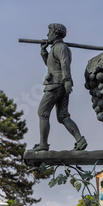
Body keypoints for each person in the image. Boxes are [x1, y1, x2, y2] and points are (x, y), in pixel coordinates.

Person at [32, 23, 87, 151]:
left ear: (56, 34)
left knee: (42, 112)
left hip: (56, 84)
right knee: (63, 116)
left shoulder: (60, 47)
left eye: (49, 32)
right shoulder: (56, 48)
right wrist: (43, 52)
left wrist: (67, 80)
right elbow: (51, 65)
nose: (47, 35)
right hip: (60, 83)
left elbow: (64, 63)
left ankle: (43, 144)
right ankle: (80, 140)